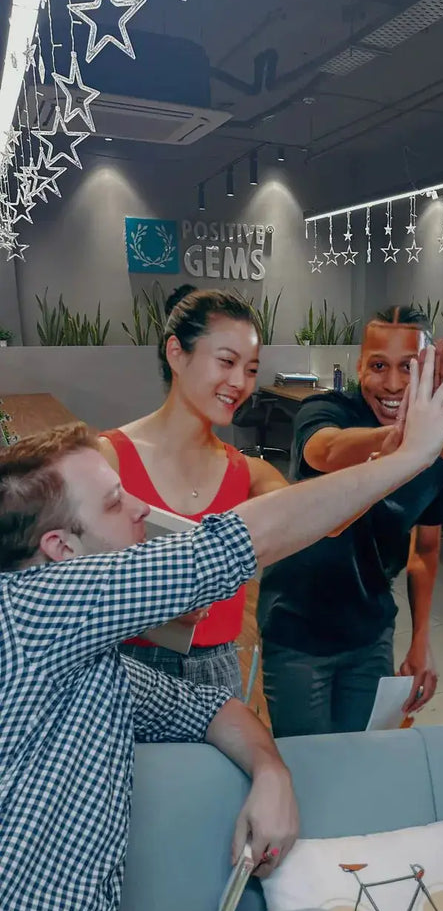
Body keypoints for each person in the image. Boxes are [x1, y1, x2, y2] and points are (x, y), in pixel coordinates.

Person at [0, 349, 443, 911]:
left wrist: (271, 769)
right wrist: (411, 456)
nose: (141, 509)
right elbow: (227, 548)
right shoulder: (27, 610)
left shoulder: (92, 663)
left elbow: (209, 706)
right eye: (114, 502)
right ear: (61, 551)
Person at [257, 305, 443, 737]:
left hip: (370, 632)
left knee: (361, 757)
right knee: (307, 762)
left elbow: (425, 550)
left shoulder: (440, 450)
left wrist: (421, 640)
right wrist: (404, 442)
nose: (393, 384)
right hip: (297, 630)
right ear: (359, 367)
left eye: (409, 367)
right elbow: (324, 450)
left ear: (427, 369)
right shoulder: (326, 409)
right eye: (378, 366)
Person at [99, 286, 287, 699]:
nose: (239, 383)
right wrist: (156, 606)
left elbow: (314, 518)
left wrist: (393, 457)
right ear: (176, 353)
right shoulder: (107, 459)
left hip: (218, 671)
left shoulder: (249, 473)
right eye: (227, 361)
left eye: (251, 369)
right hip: (124, 668)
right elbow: (67, 582)